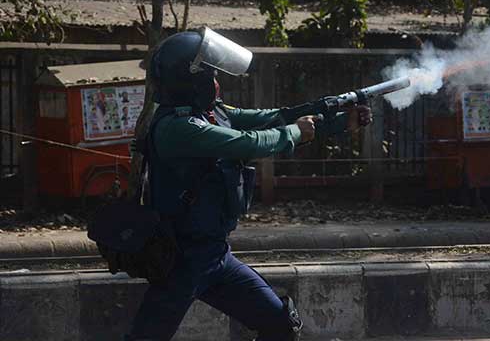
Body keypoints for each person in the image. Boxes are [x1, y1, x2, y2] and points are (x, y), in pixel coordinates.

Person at [124, 27, 372, 341]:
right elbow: (248, 143)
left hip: (215, 256)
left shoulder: (210, 113)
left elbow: (269, 118)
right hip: (180, 260)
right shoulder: (177, 128)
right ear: (190, 78)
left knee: (280, 325)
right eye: (210, 74)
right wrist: (296, 132)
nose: (216, 82)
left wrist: (333, 120)